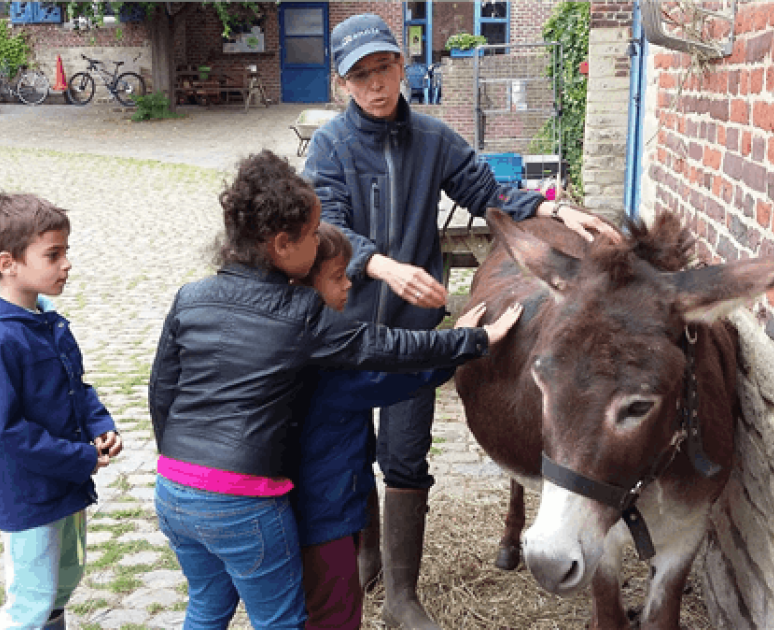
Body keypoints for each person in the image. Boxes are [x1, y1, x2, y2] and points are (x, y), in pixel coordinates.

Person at [302, 13, 621, 629]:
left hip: (416, 330)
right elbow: (328, 229)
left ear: (402, 66)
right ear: (343, 83)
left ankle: (402, 596)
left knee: (404, 452)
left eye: (385, 68)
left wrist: (558, 210)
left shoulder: (433, 138)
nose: (376, 84)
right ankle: (365, 550)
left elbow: (488, 192)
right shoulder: (330, 147)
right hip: (343, 322)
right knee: (346, 449)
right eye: (360, 75)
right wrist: (381, 266)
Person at [149, 150, 522, 630]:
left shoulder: (191, 297)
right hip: (244, 495)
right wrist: (470, 340)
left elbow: (163, 392)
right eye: (312, 234)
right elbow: (384, 347)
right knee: (282, 620)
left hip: (175, 488)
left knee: (205, 607)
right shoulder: (299, 314)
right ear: (284, 245)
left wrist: (179, 461)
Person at [293, 223, 495, 629]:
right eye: (338, 277)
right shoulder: (318, 348)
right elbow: (388, 379)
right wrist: (460, 344)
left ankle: (400, 594)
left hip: (408, 328)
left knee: (404, 455)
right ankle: (367, 564)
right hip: (346, 334)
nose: (347, 281)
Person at [0, 192, 122, 630]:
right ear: (7, 263)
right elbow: (3, 430)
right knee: (31, 600)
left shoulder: (47, 319)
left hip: (65, 486)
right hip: (29, 496)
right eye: (53, 255)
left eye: (66, 252)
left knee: (60, 587)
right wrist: (78, 458)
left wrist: (99, 424)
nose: (66, 264)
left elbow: (76, 387)